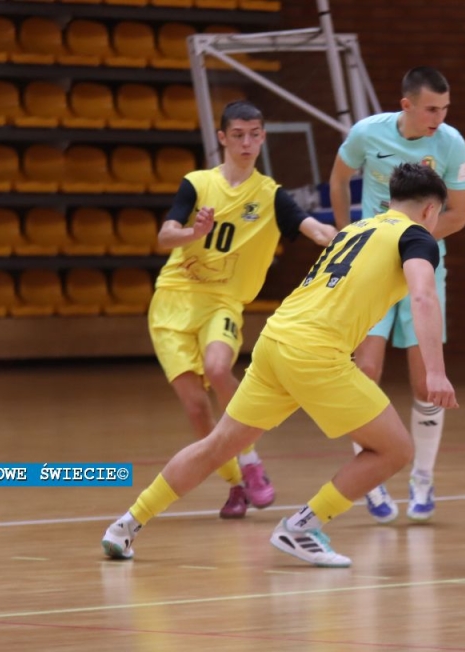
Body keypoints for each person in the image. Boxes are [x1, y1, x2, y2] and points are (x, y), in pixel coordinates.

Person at [103, 163, 458, 567]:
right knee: (395, 449)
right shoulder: (416, 238)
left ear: (390, 200)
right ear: (430, 211)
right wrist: (435, 371)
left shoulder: (356, 230)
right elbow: (424, 297)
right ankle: (302, 527)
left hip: (276, 340)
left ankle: (126, 525)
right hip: (314, 353)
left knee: (216, 446)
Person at [149, 100, 338, 519]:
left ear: (263, 136)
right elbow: (165, 236)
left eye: (254, 134)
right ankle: (235, 485)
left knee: (219, 368)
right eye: (238, 135)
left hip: (222, 302)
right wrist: (192, 232)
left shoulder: (270, 194)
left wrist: (341, 239)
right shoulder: (196, 184)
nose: (247, 142)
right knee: (197, 409)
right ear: (222, 138)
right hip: (172, 302)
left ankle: (251, 462)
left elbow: (313, 227)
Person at [329, 66, 465, 523]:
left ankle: (423, 478)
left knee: (424, 381)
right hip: (372, 265)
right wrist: (344, 233)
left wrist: (412, 241)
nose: (439, 117)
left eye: (445, 108)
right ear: (406, 105)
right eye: (431, 108)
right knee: (364, 369)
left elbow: (459, 215)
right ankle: (371, 476)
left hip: (421, 266)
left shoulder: (451, 143)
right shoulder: (366, 134)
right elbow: (338, 179)